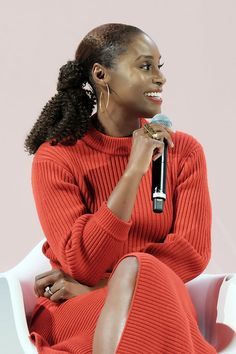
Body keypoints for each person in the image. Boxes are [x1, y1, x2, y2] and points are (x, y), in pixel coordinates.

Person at [24, 23, 217, 353]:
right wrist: (134, 171)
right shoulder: (56, 157)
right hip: (77, 310)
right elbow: (81, 263)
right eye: (145, 66)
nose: (160, 77)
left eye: (159, 66)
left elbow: (192, 252)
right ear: (102, 75)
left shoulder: (183, 151)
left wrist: (106, 285)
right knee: (147, 322)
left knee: (145, 291)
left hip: (138, 296)